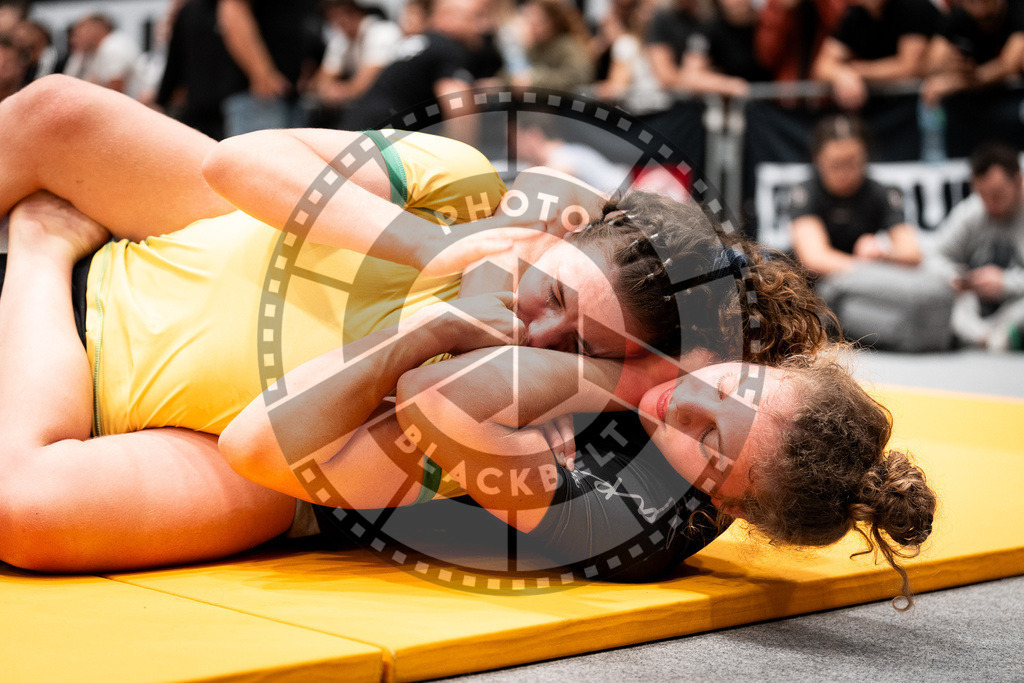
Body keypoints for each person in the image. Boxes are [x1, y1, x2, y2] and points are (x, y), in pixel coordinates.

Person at [0, 74, 830, 571]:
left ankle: (35, 252)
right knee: (56, 111)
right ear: (563, 236)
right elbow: (236, 162)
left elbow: (257, 449)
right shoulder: (469, 187)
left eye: (576, 339)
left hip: (191, 426)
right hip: (177, 253)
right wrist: (436, 248)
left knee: (27, 510)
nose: (537, 327)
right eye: (557, 301)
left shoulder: (535, 428)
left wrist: (41, 252)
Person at [217, 194, 936, 607]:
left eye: (708, 447)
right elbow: (522, 248)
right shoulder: (712, 331)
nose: (683, 403)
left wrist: (615, 382)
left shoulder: (633, 526)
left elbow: (429, 399)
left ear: (727, 505)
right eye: (730, 387)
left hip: (332, 488)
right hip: (354, 337)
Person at [789, 114, 953, 351]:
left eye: (853, 163)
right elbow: (814, 258)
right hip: (816, 294)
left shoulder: (881, 193)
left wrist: (883, 253)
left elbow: (912, 253)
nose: (845, 173)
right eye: (836, 165)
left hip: (864, 289)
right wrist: (867, 269)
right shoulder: (805, 192)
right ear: (818, 160)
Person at [933, 142, 1024, 350]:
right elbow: (934, 257)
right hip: (976, 308)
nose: (990, 203)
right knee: (946, 297)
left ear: (1018, 181)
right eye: (983, 195)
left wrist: (1005, 283)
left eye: (998, 194)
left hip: (1017, 306)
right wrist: (956, 276)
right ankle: (983, 338)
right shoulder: (972, 211)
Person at [216, 0, 325, 136]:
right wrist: (262, 74)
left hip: (292, 95)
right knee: (259, 155)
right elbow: (232, 12)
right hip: (259, 97)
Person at [813, 0, 939, 111]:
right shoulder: (855, 15)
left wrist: (857, 71)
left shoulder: (913, 6)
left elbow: (909, 68)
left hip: (927, 105)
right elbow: (821, 66)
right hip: (886, 110)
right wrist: (840, 74)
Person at [312, 0, 401, 116]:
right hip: (366, 104)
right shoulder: (340, 39)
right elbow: (322, 79)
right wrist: (329, 90)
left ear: (356, 12)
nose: (338, 22)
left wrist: (339, 91)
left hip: (393, 102)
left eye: (342, 15)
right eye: (332, 19)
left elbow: (365, 84)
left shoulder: (382, 32)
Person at [62, 13, 140, 93]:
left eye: (80, 31)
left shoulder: (113, 47)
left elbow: (117, 93)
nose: (74, 39)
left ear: (97, 29)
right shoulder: (89, 52)